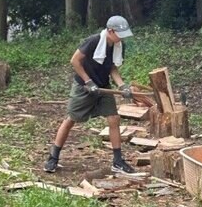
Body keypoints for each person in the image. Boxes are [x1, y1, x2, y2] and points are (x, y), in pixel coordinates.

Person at [43, 15, 137, 175]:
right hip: (83, 87)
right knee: (70, 120)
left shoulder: (118, 45)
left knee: (114, 118)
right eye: (119, 34)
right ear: (110, 30)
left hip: (103, 86)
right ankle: (53, 157)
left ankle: (118, 161)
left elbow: (112, 68)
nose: (121, 38)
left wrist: (122, 85)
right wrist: (88, 81)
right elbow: (75, 60)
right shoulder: (93, 41)